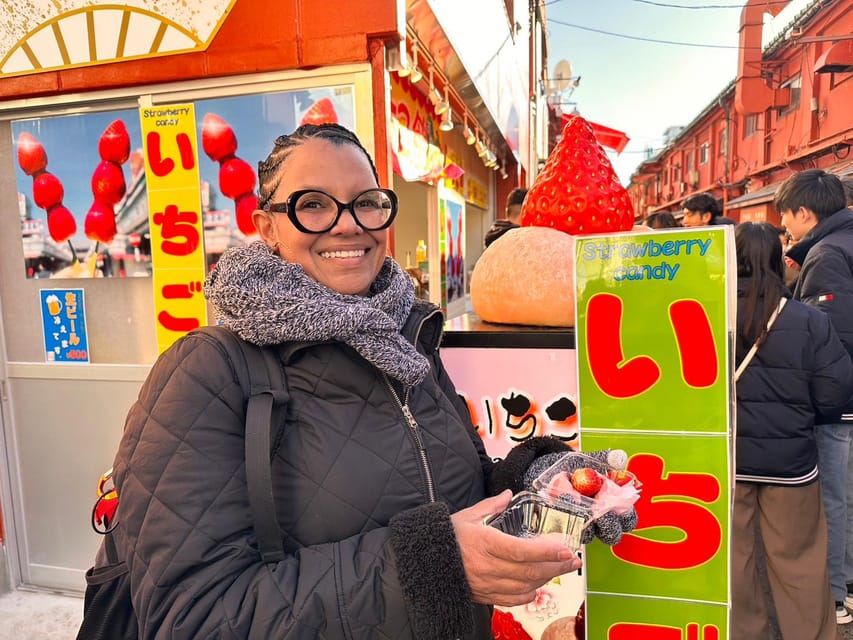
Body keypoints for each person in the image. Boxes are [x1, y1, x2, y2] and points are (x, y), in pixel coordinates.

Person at [102, 123, 591, 639]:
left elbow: (452, 494)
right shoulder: (206, 371)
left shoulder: (405, 336)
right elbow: (192, 618)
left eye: (367, 202)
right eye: (313, 204)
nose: (348, 225)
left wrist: (538, 482)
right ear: (266, 225)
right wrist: (428, 568)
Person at [730, 221, 852, 639]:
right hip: (792, 465)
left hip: (729, 463)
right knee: (799, 559)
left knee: (736, 560)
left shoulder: (708, 316)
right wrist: (805, 415)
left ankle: (747, 633)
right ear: (776, 261)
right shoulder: (808, 320)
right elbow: (836, 390)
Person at [776, 168, 853, 624]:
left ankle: (836, 595)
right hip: (845, 397)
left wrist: (822, 403)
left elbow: (831, 341)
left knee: (834, 495)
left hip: (837, 400)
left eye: (786, 215)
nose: (784, 226)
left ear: (805, 212)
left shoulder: (826, 254)